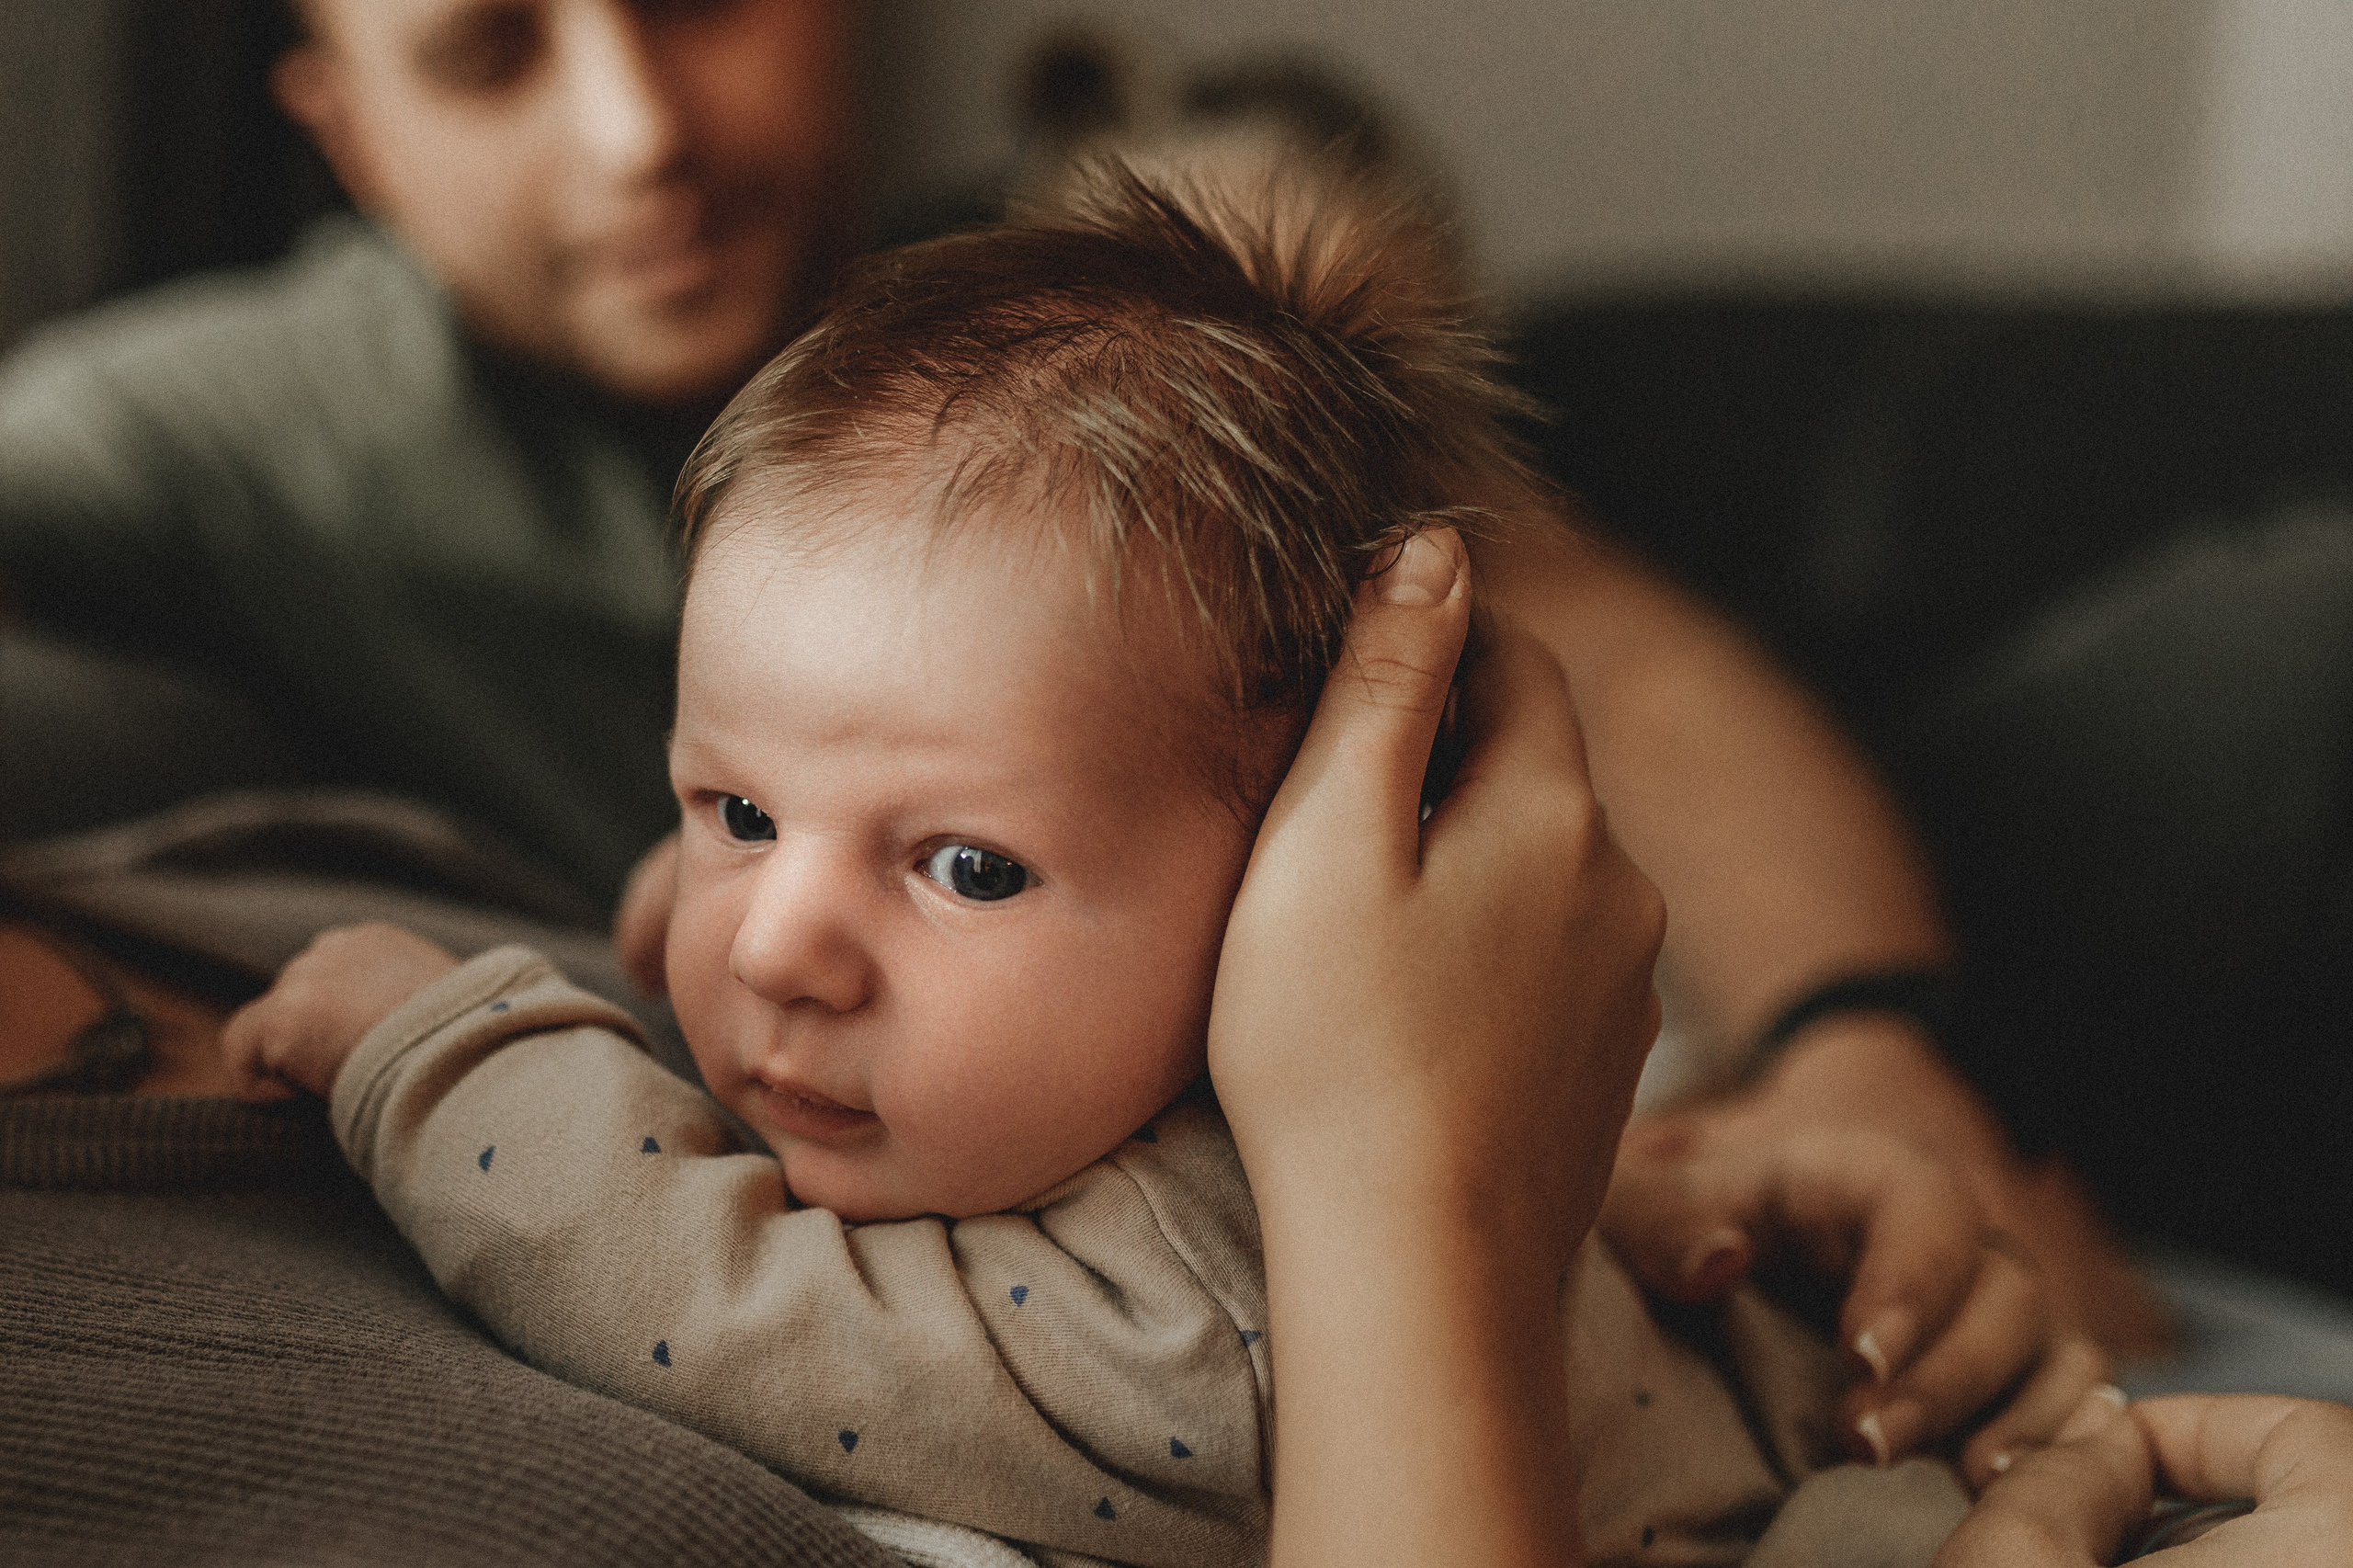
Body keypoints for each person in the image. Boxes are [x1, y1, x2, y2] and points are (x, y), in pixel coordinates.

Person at [4, 0, 2151, 1398]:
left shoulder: (1092, 290)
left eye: (694, 5)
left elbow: (1590, 655)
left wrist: (1863, 1044)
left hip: (1813, 854)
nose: (635, 128)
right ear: (345, 132)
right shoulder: (231, 432)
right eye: (484, 56)